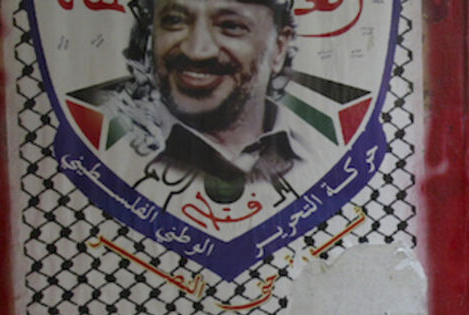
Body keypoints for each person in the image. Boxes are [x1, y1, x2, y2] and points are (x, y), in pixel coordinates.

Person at [115, 0, 319, 196]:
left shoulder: (311, 157)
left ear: (279, 49)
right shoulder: (120, 143)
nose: (197, 51)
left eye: (231, 26)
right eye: (175, 21)